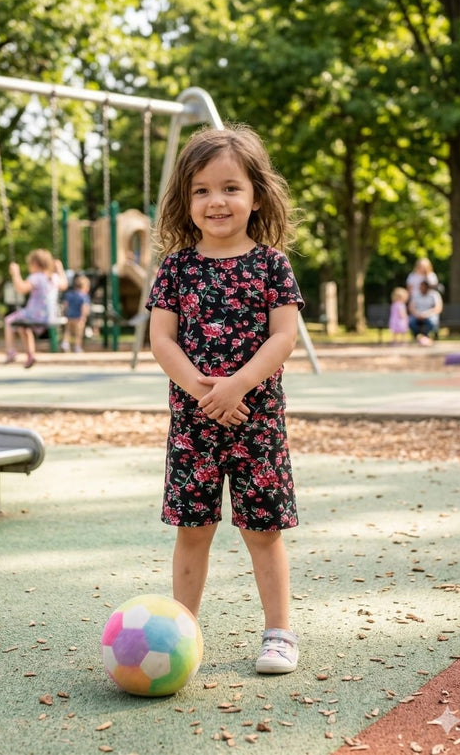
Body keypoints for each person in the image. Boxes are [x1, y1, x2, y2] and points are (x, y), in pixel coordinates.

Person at [146, 124, 304, 676]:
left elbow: (282, 337)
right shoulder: (176, 268)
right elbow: (162, 339)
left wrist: (236, 385)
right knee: (194, 530)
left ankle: (279, 633)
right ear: (185, 200)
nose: (217, 201)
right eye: (202, 190)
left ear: (255, 195)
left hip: (257, 422)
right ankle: (178, 633)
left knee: (263, 529)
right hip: (194, 423)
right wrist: (201, 389)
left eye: (231, 188)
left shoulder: (271, 264)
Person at [4, 248, 68, 368]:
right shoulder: (54, 277)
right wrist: (60, 269)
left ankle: (10, 351)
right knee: (23, 328)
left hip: (33, 315)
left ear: (35, 264)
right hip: (49, 316)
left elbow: (21, 288)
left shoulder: (36, 277)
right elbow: (64, 284)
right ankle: (31, 355)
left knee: (9, 321)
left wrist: (15, 273)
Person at [61, 274, 91, 353]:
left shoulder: (69, 294)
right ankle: (77, 347)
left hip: (69, 316)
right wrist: (83, 317)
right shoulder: (84, 296)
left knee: (67, 331)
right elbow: (84, 307)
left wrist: (64, 313)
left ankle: (65, 343)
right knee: (78, 334)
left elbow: (65, 304)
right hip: (79, 317)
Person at [408, 279, 443, 345]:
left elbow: (438, 308)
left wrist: (427, 314)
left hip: (430, 314)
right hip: (417, 314)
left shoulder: (434, 295)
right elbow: (411, 307)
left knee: (432, 321)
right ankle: (418, 336)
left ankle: (426, 336)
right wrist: (418, 314)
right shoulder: (416, 295)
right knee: (411, 321)